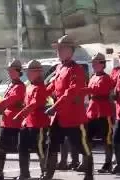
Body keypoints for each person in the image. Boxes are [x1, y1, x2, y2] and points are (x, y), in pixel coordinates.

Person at [42, 35, 93, 180]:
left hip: (73, 117)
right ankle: (48, 174)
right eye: (58, 49)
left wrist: (54, 107)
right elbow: (52, 86)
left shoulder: (76, 70)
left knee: (82, 146)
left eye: (61, 49)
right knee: (52, 144)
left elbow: (70, 93)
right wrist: (40, 96)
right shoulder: (60, 67)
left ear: (70, 51)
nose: (58, 52)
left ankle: (89, 175)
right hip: (59, 116)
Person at [0, 59, 26, 180]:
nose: (9, 73)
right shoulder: (11, 85)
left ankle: (24, 173)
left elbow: (12, 99)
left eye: (11, 70)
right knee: (1, 147)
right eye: (9, 70)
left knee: (20, 148)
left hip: (15, 122)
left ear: (18, 72)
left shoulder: (20, 87)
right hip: (7, 120)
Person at [13, 60, 50, 179]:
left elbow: (34, 104)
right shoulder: (30, 86)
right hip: (28, 122)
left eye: (28, 71)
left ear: (37, 72)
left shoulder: (40, 87)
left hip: (38, 123)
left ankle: (45, 172)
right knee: (22, 147)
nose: (27, 73)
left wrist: (20, 114)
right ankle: (24, 173)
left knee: (39, 148)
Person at [79, 53, 115, 173]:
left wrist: (83, 90)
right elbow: (91, 93)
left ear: (102, 64)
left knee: (107, 140)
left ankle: (108, 163)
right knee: (86, 138)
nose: (93, 65)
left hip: (104, 112)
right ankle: (87, 162)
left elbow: (100, 90)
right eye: (93, 63)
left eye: (96, 63)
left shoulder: (106, 78)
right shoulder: (93, 76)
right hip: (92, 112)